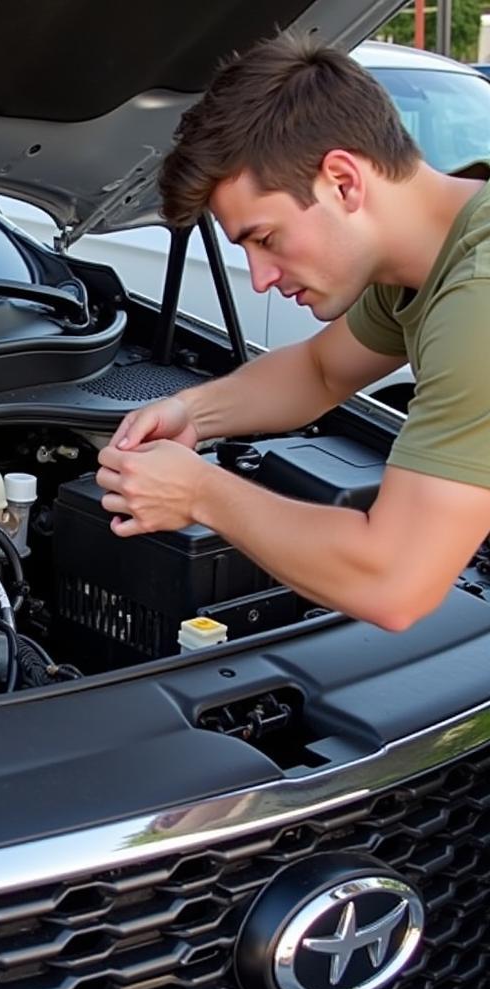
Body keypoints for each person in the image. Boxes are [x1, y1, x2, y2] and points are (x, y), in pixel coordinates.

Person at [95, 33, 490, 632]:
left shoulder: (478, 303)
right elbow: (320, 371)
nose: (259, 279)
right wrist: (193, 413)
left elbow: (392, 582)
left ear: (343, 181)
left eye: (266, 238)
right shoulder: (425, 255)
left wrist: (200, 493)